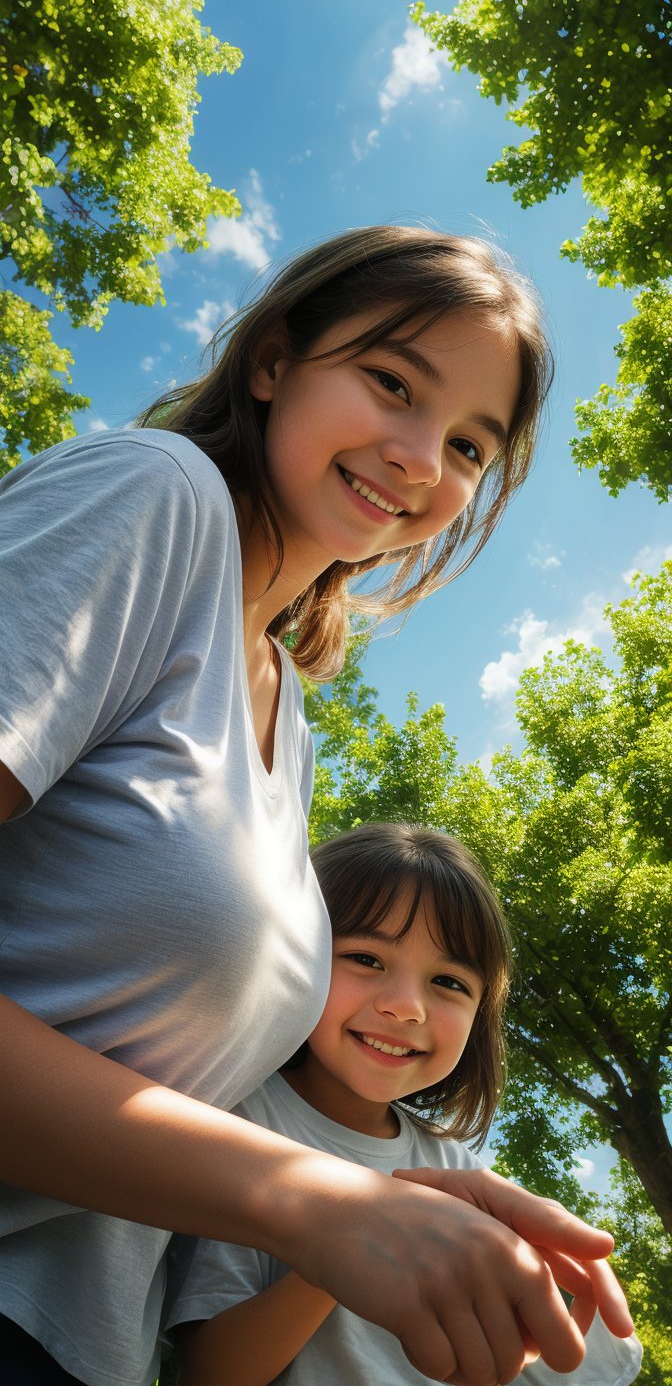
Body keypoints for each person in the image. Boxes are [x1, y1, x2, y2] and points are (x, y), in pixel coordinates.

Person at [0, 226, 633, 1386]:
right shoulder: (157, 497)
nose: (417, 459)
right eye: (393, 383)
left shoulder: (283, 706)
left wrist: (394, 1197)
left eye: (467, 447)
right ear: (274, 360)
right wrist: (315, 1205)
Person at [166, 823, 642, 1386]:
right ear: (296, 955)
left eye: (449, 981)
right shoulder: (239, 1124)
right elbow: (208, 1371)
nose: (406, 1007)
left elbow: (579, 1359)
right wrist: (339, 1254)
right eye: (366, 959)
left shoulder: (459, 1170)